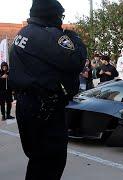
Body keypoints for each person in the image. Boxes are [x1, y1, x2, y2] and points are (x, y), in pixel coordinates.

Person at [9, 0, 87, 179]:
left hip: (27, 106)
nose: (61, 21)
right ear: (51, 14)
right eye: (60, 16)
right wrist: (74, 37)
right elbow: (76, 60)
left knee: (37, 160)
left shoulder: (24, 33)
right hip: (45, 110)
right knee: (51, 162)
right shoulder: (46, 35)